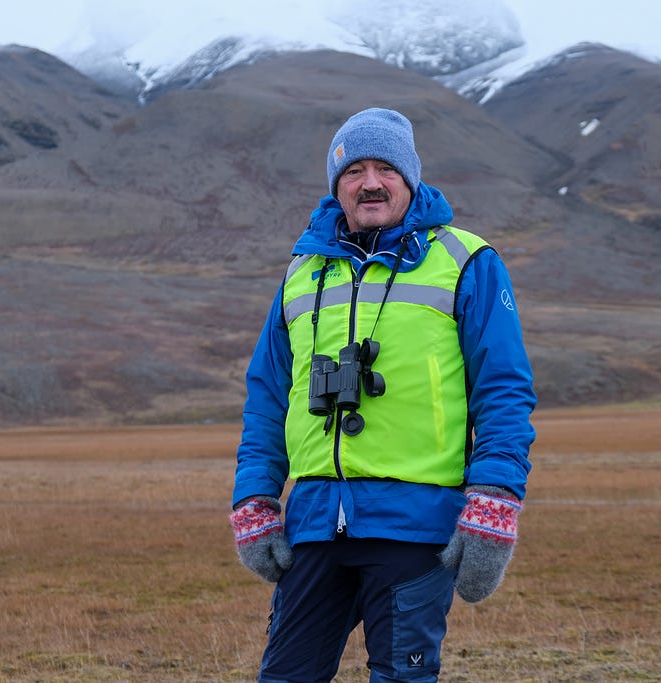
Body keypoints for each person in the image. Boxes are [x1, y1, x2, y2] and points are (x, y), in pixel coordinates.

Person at [229, 107, 536, 683]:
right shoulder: (302, 273)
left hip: (414, 527)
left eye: (385, 168)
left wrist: (494, 501)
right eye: (354, 170)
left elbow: (504, 391)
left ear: (409, 178)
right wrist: (255, 498)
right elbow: (268, 397)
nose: (370, 182)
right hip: (316, 525)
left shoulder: (467, 261)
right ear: (337, 185)